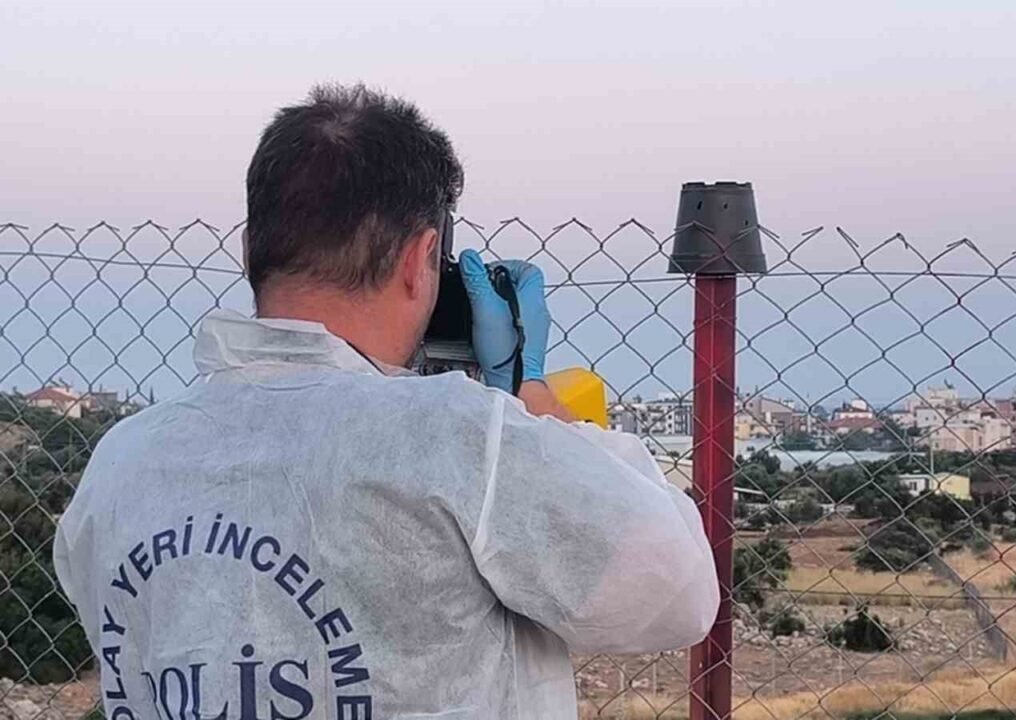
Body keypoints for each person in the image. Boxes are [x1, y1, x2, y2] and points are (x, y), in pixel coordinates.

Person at [53, 84, 718, 720]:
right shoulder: (460, 440)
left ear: (249, 250)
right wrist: (528, 390)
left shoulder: (121, 466)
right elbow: (675, 591)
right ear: (420, 258)